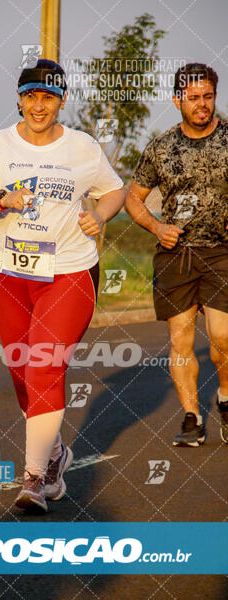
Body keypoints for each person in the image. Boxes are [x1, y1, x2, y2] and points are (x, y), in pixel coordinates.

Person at [0, 59, 124, 511]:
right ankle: (54, 455)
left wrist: (101, 215)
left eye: (47, 97)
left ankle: (34, 480)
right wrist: (0, 200)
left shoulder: (83, 148)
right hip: (8, 273)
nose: (38, 105)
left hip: (68, 273)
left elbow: (115, 190)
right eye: (30, 96)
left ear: (62, 101)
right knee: (20, 372)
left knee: (43, 366)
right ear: (19, 98)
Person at [125, 62, 228, 447]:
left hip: (222, 252)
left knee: (222, 339)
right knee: (180, 341)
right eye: (193, 98)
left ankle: (225, 397)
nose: (201, 105)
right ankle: (191, 418)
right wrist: (157, 227)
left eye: (208, 97)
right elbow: (132, 199)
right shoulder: (161, 147)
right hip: (177, 255)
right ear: (177, 101)